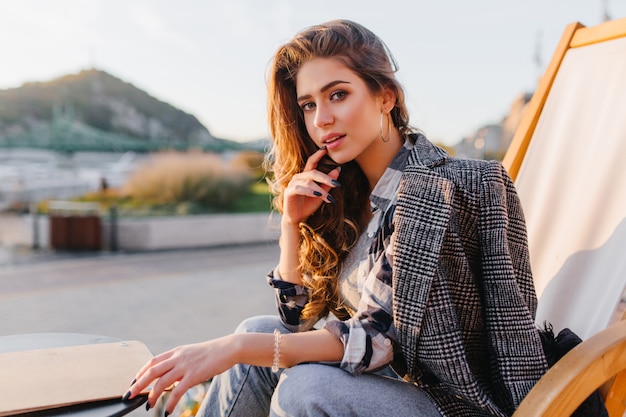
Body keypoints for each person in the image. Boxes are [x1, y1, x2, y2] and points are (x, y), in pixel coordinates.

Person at [123, 19, 549, 417]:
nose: (321, 119)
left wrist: (232, 348)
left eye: (338, 95)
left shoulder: (436, 188)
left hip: (452, 404)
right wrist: (291, 227)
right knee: (259, 330)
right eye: (308, 105)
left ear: (386, 96)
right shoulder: (348, 192)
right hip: (379, 388)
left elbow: (376, 340)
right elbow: (299, 322)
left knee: (303, 386)